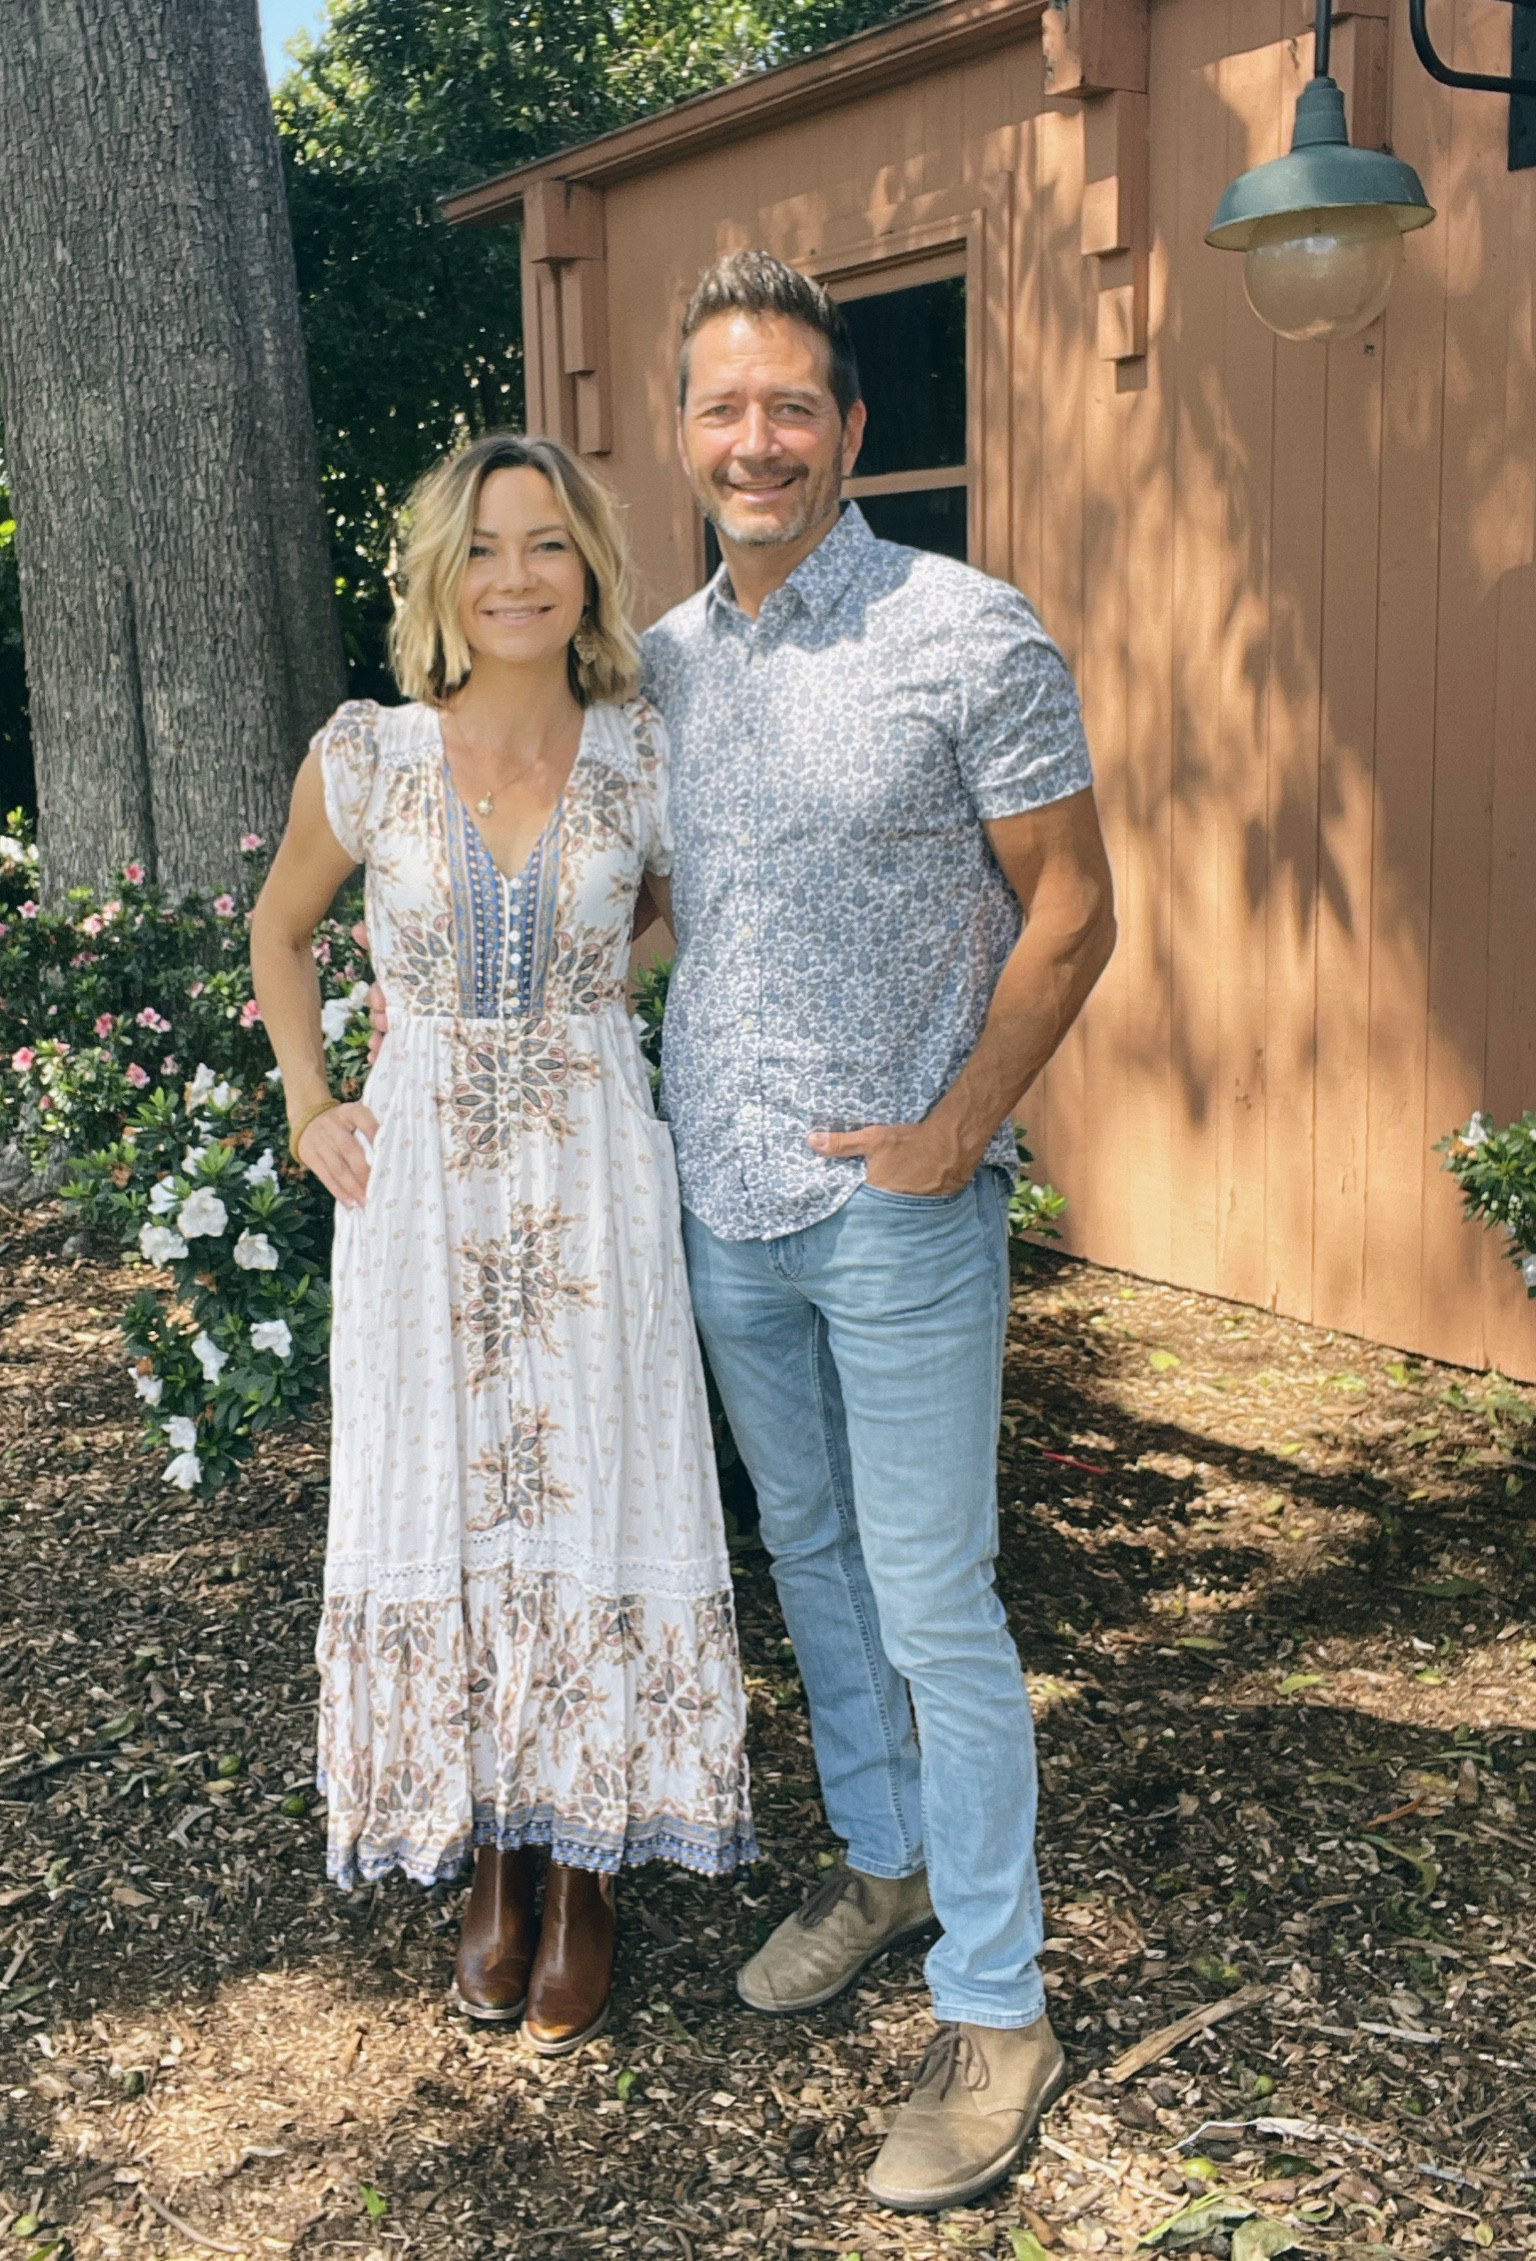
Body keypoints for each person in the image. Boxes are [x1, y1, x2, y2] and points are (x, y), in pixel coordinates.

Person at [645, 251, 1117, 2212]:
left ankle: (1000, 2009)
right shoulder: (660, 663)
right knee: (816, 1563)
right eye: (721, 409)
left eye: (790, 408)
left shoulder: (966, 632)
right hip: (724, 1196)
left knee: (938, 1601)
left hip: (898, 1210)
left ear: (845, 432)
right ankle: (884, 1866)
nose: (754, 439)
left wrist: (951, 1134)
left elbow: (1075, 908)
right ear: (688, 441)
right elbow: (688, 911)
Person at [250, 430, 755, 2058]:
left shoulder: (645, 750)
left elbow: (677, 904)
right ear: (440, 580)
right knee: (458, 1498)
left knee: (596, 1485)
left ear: (589, 567)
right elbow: (281, 927)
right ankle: (496, 1851)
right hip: (425, 1199)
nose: (518, 574)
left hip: (594, 1175)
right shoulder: (371, 755)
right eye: (485, 547)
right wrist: (313, 1099)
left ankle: (589, 1862)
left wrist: (588, 989)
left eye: (547, 543)